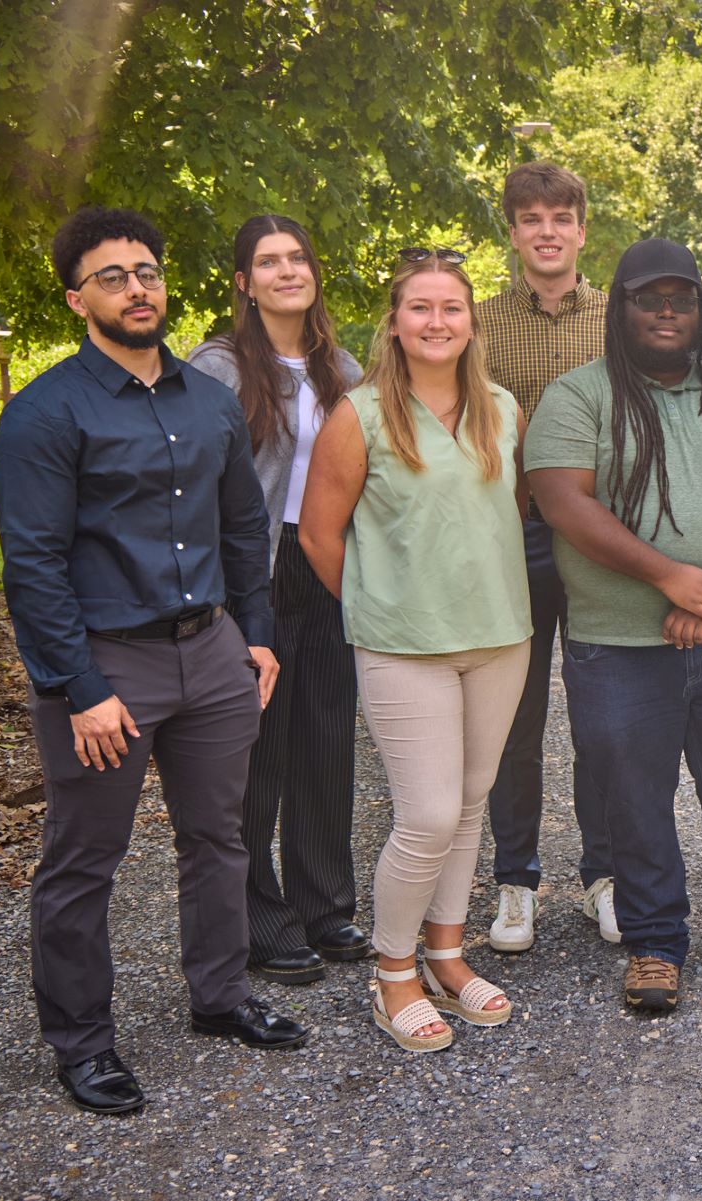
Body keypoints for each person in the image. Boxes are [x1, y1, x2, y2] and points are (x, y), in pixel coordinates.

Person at [0, 206, 308, 1115]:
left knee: (220, 838)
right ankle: (83, 1044)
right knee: (85, 859)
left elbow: (245, 531)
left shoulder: (209, 399)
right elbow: (34, 566)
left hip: (211, 655)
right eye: (114, 276)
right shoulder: (46, 412)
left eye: (147, 271)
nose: (138, 288)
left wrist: (255, 635)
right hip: (104, 670)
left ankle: (219, 996)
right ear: (76, 299)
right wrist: (78, 688)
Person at [526, 238, 702, 1013]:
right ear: (618, 308)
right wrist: (671, 578)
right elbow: (564, 502)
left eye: (680, 298)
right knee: (635, 797)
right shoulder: (577, 395)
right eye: (648, 298)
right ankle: (656, 943)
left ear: (701, 308)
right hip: (617, 648)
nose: (665, 311)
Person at [299, 247, 529, 1053]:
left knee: (470, 803)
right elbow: (321, 535)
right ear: (394, 323)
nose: (438, 321)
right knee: (426, 813)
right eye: (421, 307)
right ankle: (392, 971)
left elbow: (503, 518)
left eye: (452, 308)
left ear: (471, 322)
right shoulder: (358, 415)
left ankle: (446, 951)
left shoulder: (502, 407)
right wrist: (381, 605)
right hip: (405, 645)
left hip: (500, 635)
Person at [188, 216, 367, 984]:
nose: (287, 270)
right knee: (256, 750)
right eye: (268, 261)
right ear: (243, 282)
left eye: (298, 256)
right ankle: (260, 919)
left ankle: (325, 908)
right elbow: (191, 484)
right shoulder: (219, 368)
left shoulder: (347, 371)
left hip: (326, 560)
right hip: (249, 570)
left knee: (325, 743)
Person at [474, 162, 615, 953]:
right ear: (515, 230)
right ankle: (517, 879)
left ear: (582, 228)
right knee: (514, 718)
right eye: (532, 218)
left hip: (599, 538)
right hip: (513, 533)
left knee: (602, 713)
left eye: (562, 216)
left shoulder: (617, 319)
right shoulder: (483, 321)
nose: (548, 230)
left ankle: (605, 874)